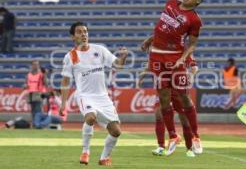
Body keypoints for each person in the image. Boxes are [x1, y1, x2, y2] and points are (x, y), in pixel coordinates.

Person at [141, 0, 204, 155]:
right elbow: (163, 30)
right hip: (156, 57)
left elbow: (192, 45)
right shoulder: (170, 4)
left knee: (183, 97)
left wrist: (183, 60)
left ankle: (196, 137)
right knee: (163, 100)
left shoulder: (194, 19)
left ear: (197, 0)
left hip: (174, 58)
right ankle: (172, 137)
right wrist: (149, 40)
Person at [59, 22, 128, 166]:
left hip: (103, 97)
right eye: (79, 32)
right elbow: (65, 81)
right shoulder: (70, 56)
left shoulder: (100, 50)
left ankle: (104, 158)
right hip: (85, 95)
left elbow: (118, 65)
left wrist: (123, 57)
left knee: (116, 132)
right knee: (90, 117)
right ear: (73, 36)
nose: (83, 34)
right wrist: (63, 104)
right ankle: (85, 151)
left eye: (85, 31)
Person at [139, 56, 202, 157]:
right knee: (159, 115)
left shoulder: (182, 50)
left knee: (184, 120)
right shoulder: (158, 50)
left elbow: (194, 67)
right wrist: (141, 77)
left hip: (178, 90)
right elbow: (149, 65)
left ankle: (189, 148)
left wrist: (190, 76)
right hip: (164, 88)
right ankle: (161, 146)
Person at [24, 60, 47, 126]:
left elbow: (46, 84)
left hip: (38, 93)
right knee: (33, 110)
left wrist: (45, 75)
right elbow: (26, 83)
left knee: (38, 110)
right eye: (34, 64)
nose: (35, 66)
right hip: (31, 93)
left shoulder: (41, 74)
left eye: (37, 64)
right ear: (32, 65)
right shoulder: (28, 74)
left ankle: (38, 124)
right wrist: (25, 86)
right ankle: (34, 123)